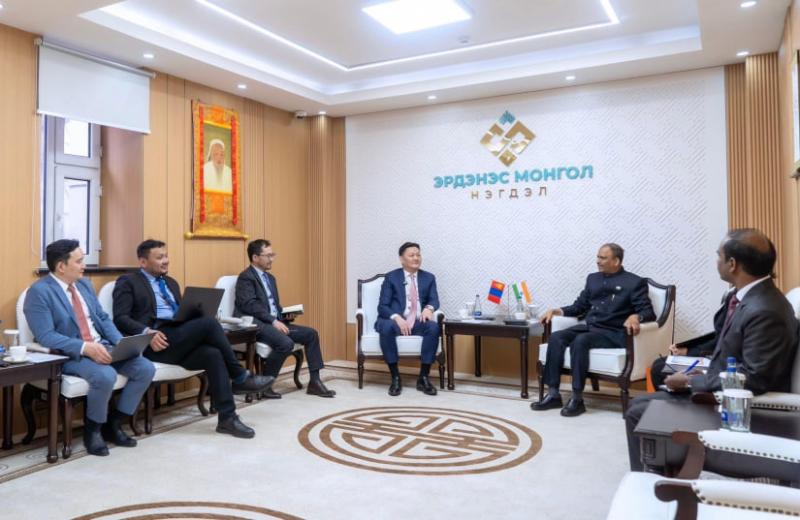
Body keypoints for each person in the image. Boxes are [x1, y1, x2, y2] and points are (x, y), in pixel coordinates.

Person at [625, 228, 799, 471]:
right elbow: (726, 341)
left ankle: (649, 480)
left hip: (742, 410)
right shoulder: (752, 297)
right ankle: (659, 472)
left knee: (639, 411)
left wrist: (691, 382)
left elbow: (755, 378)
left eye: (719, 256)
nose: (716, 261)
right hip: (722, 386)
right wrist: (699, 365)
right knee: (645, 396)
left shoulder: (765, 310)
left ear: (732, 264)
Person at [112, 239, 273, 439]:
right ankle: (240, 377)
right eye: (159, 257)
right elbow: (120, 318)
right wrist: (146, 332)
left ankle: (227, 419)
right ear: (143, 262)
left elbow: (180, 316)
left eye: (166, 256)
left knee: (213, 354)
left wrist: (196, 315)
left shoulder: (171, 283)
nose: (166, 261)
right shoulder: (128, 281)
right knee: (209, 324)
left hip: (177, 338)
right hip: (154, 343)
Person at [24, 239, 155, 456]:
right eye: (79, 261)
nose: (84, 265)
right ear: (61, 266)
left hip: (103, 346)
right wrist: (85, 347)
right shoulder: (39, 292)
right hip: (71, 355)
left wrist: (119, 343)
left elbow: (102, 318)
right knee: (104, 376)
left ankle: (114, 424)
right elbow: (46, 336)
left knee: (145, 368)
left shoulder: (84, 285)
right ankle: (93, 431)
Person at [532, 243, 656, 417]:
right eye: (598, 257)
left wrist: (636, 317)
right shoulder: (593, 279)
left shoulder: (634, 282)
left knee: (580, 341)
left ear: (616, 261)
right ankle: (553, 394)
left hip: (613, 333)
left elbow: (648, 312)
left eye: (603, 258)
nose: (598, 261)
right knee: (556, 337)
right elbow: (579, 306)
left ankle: (577, 399)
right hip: (590, 328)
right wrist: (557, 311)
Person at [235, 239, 335, 398]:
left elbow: (273, 307)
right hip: (257, 325)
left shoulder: (270, 278)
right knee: (285, 343)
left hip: (274, 322)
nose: (272, 259)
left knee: (311, 334)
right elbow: (249, 305)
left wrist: (285, 315)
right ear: (255, 257)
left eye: (272, 255)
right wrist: (273, 321)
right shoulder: (246, 277)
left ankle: (315, 382)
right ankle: (265, 385)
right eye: (268, 256)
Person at [375, 242, 441, 396]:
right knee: (386, 327)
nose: (416, 258)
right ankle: (395, 377)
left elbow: (434, 300)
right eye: (411, 255)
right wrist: (397, 318)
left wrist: (429, 308)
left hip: (417, 322)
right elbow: (382, 306)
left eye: (418, 254)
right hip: (396, 322)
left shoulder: (429, 278)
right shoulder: (391, 277)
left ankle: (423, 377)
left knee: (433, 327)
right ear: (401, 259)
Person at [649, 289, 733, 388]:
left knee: (660, 368)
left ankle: (684, 397)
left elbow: (724, 339)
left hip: (726, 363)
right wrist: (688, 348)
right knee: (659, 363)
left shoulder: (741, 302)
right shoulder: (732, 294)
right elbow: (719, 335)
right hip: (715, 354)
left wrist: (690, 352)